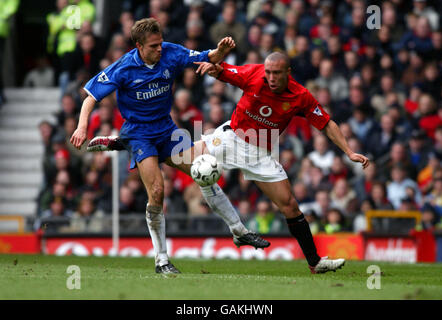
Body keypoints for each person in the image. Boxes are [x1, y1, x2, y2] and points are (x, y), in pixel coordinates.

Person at [91, 51, 370, 274]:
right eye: (268, 72)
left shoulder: (301, 96)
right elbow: (223, 70)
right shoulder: (253, 74)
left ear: (288, 73)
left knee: (290, 205)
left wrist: (348, 151)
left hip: (262, 153)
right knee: (184, 158)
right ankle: (124, 141)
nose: (271, 77)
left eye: (276, 73)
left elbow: (326, 123)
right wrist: (213, 68)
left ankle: (314, 262)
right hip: (231, 138)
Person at [70, 18, 269, 274]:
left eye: (160, 43)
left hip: (166, 129)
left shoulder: (171, 52)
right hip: (140, 134)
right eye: (153, 46)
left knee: (203, 171)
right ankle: (162, 260)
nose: (159, 49)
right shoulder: (123, 67)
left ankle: (239, 231)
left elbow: (210, 56)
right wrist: (81, 127)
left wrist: (221, 50)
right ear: (139, 46)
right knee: (157, 190)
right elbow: (90, 97)